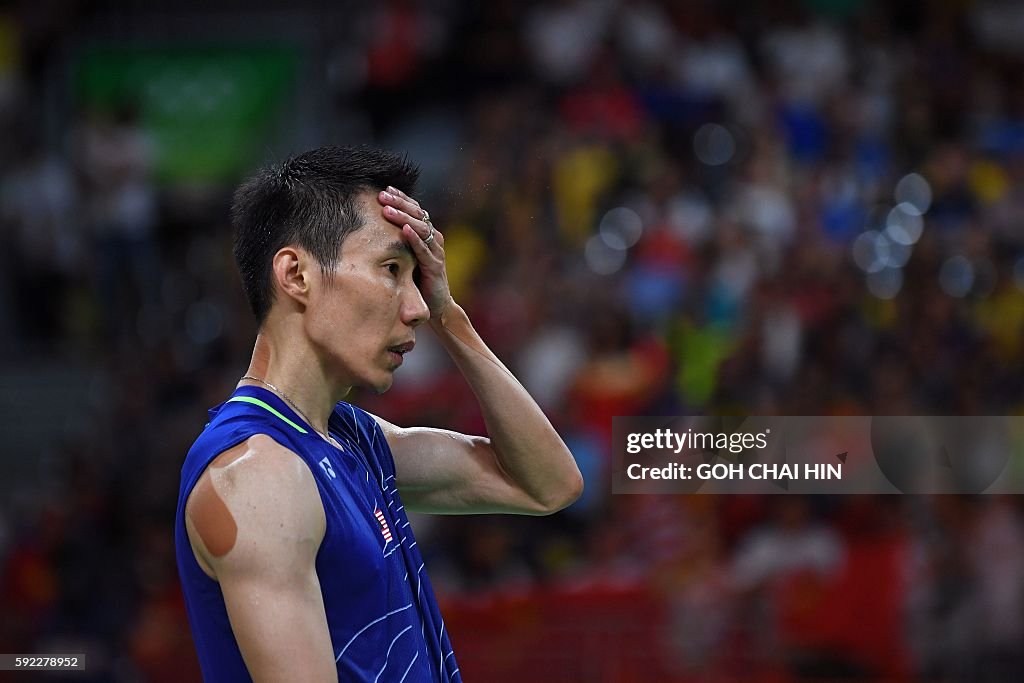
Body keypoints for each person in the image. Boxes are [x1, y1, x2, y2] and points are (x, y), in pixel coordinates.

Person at [173, 146, 583, 682]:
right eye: (391, 269)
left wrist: (449, 315)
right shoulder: (258, 478)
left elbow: (547, 485)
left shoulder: (354, 442)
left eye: (417, 279)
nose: (415, 307)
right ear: (296, 274)